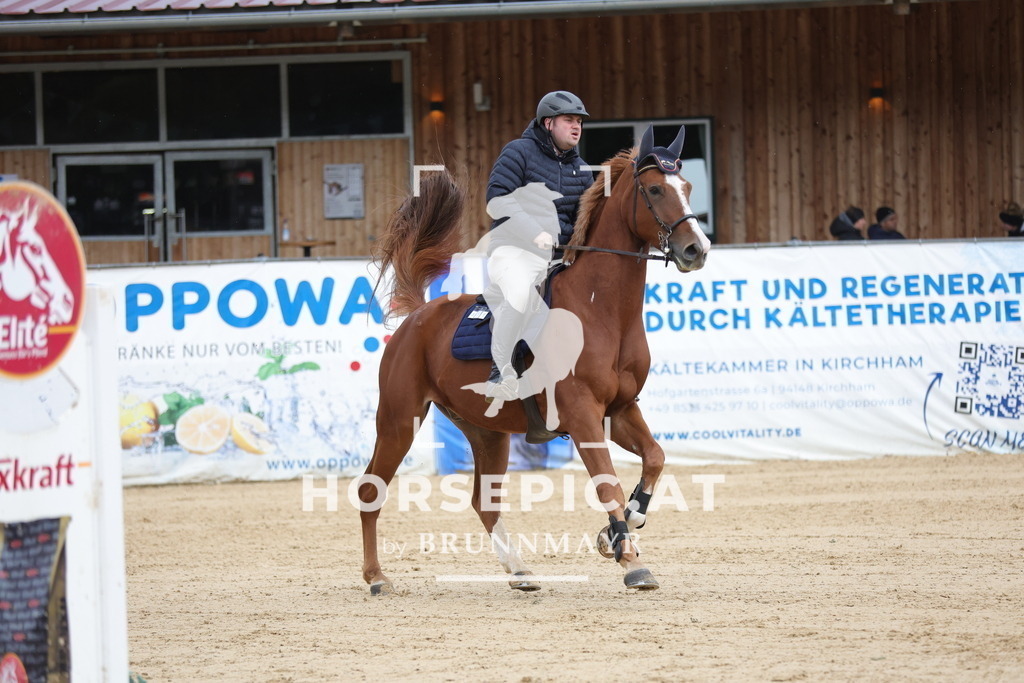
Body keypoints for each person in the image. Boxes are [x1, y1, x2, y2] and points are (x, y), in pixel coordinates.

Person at [483, 90, 593, 400]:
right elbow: (497, 201)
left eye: (579, 122)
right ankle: (500, 371)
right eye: (569, 120)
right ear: (548, 123)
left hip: (559, 257)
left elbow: (585, 221)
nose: (576, 127)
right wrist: (535, 232)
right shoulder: (518, 152)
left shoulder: (582, 170)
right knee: (520, 293)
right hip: (513, 251)